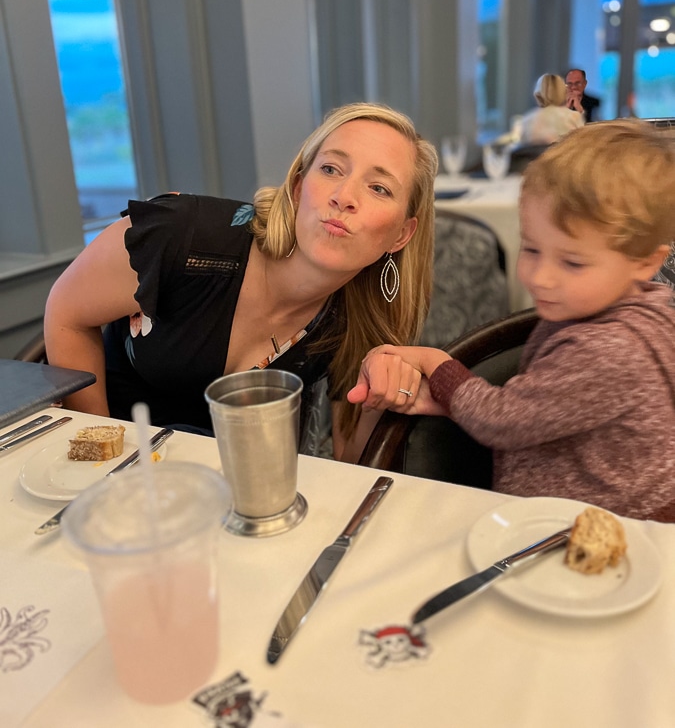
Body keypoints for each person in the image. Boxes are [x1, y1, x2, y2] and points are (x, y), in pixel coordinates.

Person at [44, 102, 438, 460]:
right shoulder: (181, 234)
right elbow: (66, 313)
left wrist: (382, 393)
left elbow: (350, 461)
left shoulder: (359, 317)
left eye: (379, 188)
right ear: (298, 187)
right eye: (331, 169)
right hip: (118, 477)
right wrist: (102, 456)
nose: (344, 196)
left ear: (401, 235)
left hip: (237, 492)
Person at [348, 121, 675, 520]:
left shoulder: (611, 350)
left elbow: (502, 421)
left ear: (646, 262)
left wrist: (438, 363)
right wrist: (455, 404)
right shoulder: (637, 313)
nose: (541, 277)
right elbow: (549, 407)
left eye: (573, 263)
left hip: (607, 530)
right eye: (532, 249)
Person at [518, 73, 584, 144]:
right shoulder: (574, 117)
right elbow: (582, 144)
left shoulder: (528, 119)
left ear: (537, 94)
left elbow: (523, 146)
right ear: (563, 92)